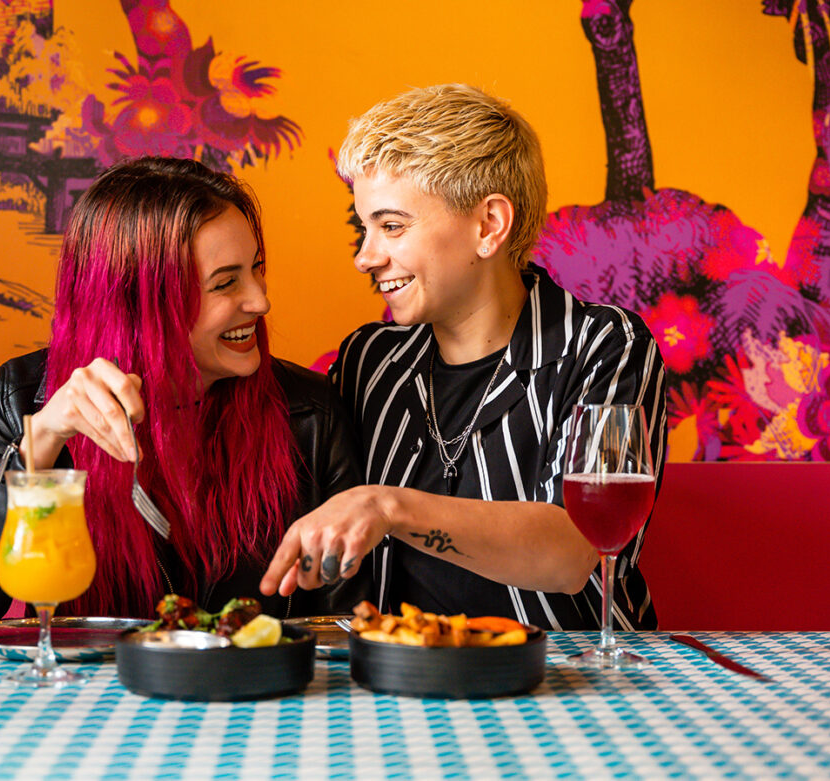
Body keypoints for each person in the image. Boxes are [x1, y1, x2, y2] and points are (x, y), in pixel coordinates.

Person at [261, 84, 667, 630]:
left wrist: (387, 507)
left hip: (570, 682)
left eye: (392, 225)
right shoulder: (368, 362)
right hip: (402, 680)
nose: (365, 257)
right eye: (364, 228)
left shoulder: (601, 345)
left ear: (488, 226)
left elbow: (574, 551)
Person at [0, 157, 366, 633]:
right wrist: (37, 447)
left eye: (256, 269)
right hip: (85, 696)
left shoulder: (310, 414)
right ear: (140, 302)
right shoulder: (29, 399)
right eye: (226, 283)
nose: (260, 300)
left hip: (251, 696)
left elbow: (343, 625)